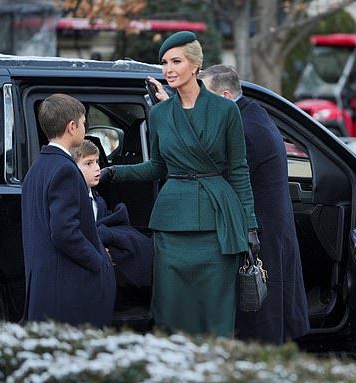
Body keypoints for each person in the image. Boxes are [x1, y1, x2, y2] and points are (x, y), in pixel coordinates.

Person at [101, 31, 259, 337]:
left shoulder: (226, 110)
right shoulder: (159, 114)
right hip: (172, 225)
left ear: (195, 65)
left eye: (176, 61)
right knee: (171, 308)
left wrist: (249, 225)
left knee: (214, 309)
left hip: (217, 224)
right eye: (164, 62)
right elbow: (157, 167)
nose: (168, 69)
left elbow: (239, 170)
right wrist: (113, 172)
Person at [197, 64, 309, 344]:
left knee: (260, 324)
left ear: (223, 96)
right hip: (265, 230)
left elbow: (214, 179)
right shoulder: (251, 113)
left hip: (257, 236)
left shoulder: (244, 130)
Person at [21, 93, 116, 328]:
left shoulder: (38, 166)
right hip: (64, 286)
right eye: (84, 122)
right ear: (72, 126)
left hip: (44, 283)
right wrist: (98, 260)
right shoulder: (65, 169)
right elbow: (64, 231)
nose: (85, 127)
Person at [71, 139, 154, 288]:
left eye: (97, 162)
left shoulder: (98, 200)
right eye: (88, 163)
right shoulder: (71, 201)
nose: (97, 168)